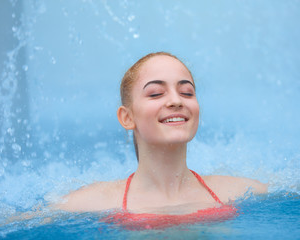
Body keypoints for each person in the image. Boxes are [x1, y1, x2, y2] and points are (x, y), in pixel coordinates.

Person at [56, 52, 268, 225]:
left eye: (187, 92)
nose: (176, 100)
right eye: (156, 94)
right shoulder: (89, 203)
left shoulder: (238, 192)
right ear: (127, 117)